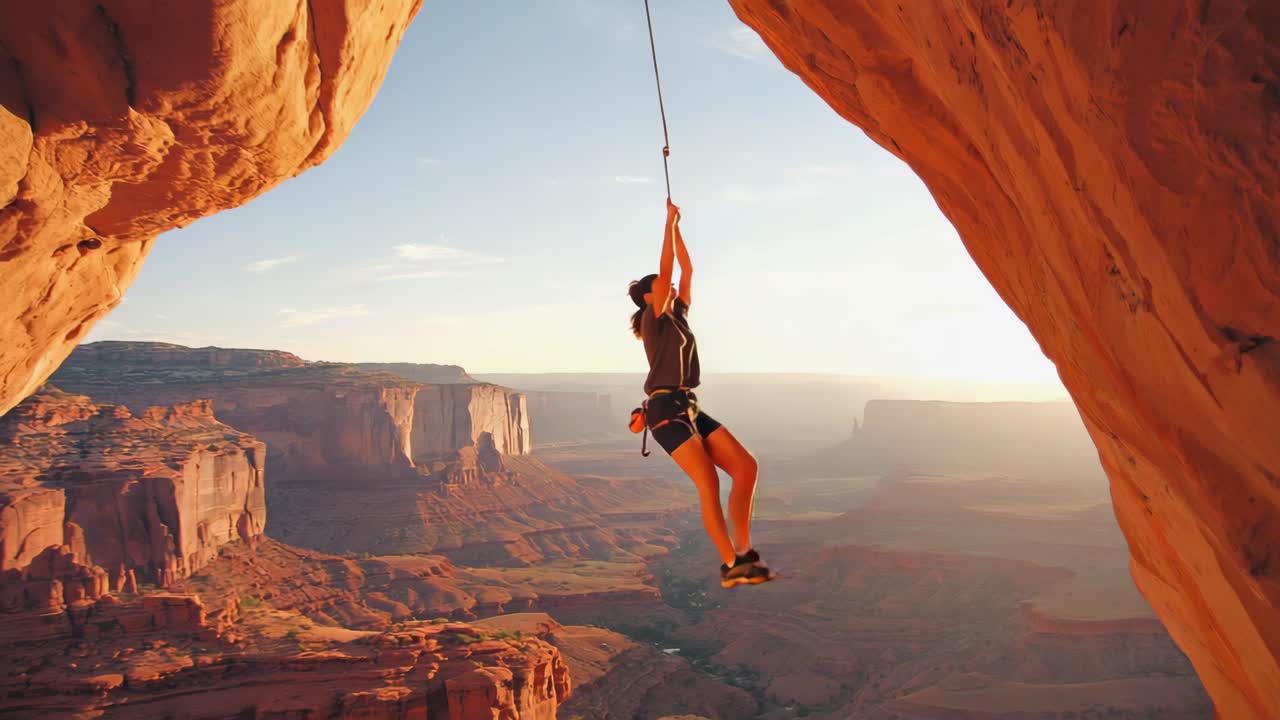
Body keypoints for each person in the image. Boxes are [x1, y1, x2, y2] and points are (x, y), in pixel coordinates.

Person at [628, 199, 777, 588]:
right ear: (649, 297)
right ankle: (731, 563)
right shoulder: (653, 318)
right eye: (660, 287)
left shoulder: (678, 315)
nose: (670, 285)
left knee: (746, 468)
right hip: (664, 411)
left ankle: (744, 551)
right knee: (708, 483)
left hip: (689, 406)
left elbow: (686, 268)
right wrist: (665, 223)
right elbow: (666, 271)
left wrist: (678, 227)